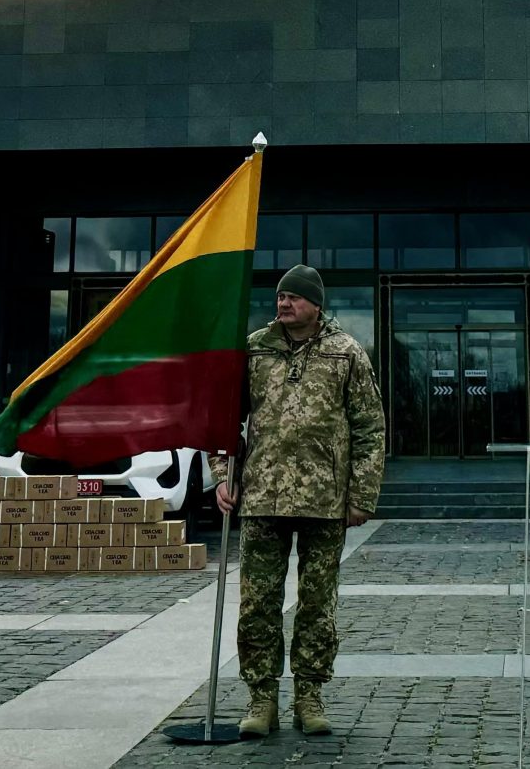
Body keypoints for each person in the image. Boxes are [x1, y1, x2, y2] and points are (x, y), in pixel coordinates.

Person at [211, 265, 386, 739]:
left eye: (294, 297)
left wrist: (361, 495)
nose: (283, 303)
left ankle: (310, 695)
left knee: (316, 603)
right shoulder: (253, 349)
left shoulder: (345, 353)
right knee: (258, 603)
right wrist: (224, 476)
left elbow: (370, 428)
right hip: (262, 497)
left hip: (325, 501)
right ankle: (261, 697)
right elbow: (224, 422)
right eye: (280, 296)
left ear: (316, 304)